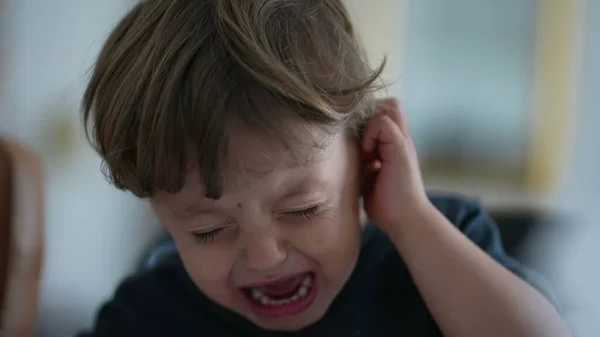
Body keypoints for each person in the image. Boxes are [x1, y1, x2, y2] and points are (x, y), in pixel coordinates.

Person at [77, 0, 569, 336]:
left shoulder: (438, 251)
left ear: (366, 151)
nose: (265, 257)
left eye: (303, 208)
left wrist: (411, 218)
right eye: (208, 230)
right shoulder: (153, 313)